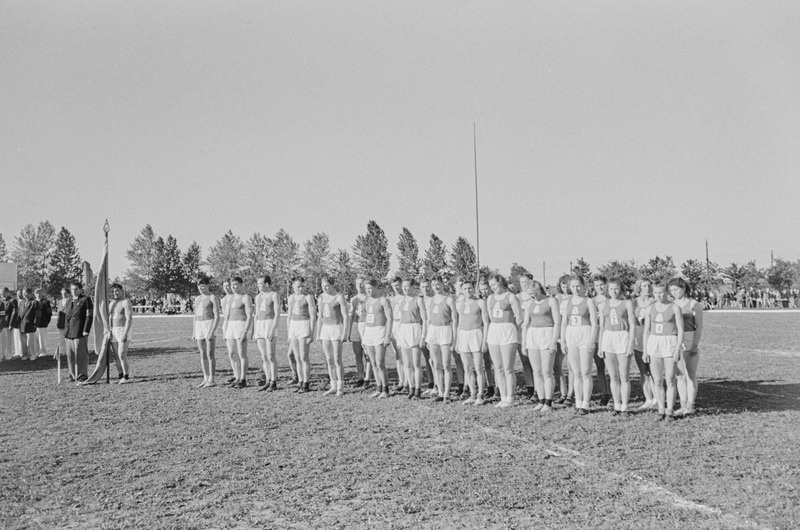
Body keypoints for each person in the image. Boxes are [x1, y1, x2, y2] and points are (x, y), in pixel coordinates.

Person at [643, 281, 684, 421]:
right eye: (656, 293)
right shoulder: (650, 308)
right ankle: (661, 409)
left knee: (670, 379)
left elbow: (681, 330)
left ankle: (670, 410)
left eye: (661, 292)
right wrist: (645, 350)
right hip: (654, 343)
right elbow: (646, 331)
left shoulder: (674, 307)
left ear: (666, 292)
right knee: (657, 380)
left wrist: (678, 348)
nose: (658, 295)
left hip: (670, 342)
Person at [521, 280, 561, 413]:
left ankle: (548, 402)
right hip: (533, 335)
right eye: (529, 293)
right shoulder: (529, 303)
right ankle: (541, 400)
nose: (531, 295)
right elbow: (526, 323)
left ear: (538, 289)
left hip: (547, 334)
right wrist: (524, 343)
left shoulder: (551, 301)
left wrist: (554, 340)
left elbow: (557, 322)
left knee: (547, 371)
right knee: (536, 371)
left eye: (533, 292)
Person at [598, 278, 636, 415]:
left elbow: (632, 325)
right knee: (613, 376)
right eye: (611, 289)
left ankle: (625, 406)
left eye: (616, 289)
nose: (614, 291)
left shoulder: (627, 303)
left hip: (622, 337)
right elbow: (601, 327)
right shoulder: (603, 305)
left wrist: (630, 344)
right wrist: (600, 346)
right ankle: (617, 405)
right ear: (607, 290)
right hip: (608, 338)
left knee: (624, 376)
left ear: (621, 289)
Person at [560, 275, 598, 415]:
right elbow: (564, 323)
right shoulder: (566, 302)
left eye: (578, 286)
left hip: (585, 334)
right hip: (571, 335)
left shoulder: (589, 301)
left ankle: (585, 404)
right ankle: (578, 402)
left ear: (583, 286)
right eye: (573, 286)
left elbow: (594, 323)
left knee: (585, 372)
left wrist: (591, 341)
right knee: (576, 372)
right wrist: (563, 341)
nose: (576, 289)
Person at [486, 274, 522, 408]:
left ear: (500, 282)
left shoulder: (511, 297)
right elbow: (491, 316)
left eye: (494, 284)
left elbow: (519, 317)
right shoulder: (490, 298)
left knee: (508, 368)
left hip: (507, 331)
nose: (492, 287)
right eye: (491, 286)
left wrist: (511, 329)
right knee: (498, 368)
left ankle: (510, 398)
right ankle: (503, 397)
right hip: (494, 331)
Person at [669, 278, 704, 416]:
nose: (673, 293)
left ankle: (691, 406)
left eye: (676, 289)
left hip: (689, 339)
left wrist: (695, 344)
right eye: (671, 290)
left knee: (690, 375)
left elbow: (699, 326)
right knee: (680, 375)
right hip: (675, 340)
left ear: (683, 288)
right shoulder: (671, 304)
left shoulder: (693, 304)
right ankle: (683, 405)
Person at [456, 280, 489, 405]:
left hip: (476, 334)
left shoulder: (480, 302)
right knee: (467, 367)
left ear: (473, 289)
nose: (468, 290)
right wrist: (458, 341)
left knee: (478, 367)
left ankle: (481, 395)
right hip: (463, 335)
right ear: (462, 290)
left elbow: (486, 322)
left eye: (470, 288)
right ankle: (473, 394)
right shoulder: (459, 304)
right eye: (465, 288)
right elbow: (459, 323)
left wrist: (484, 341)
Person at [426, 277, 458, 403]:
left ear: (442, 284)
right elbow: (428, 319)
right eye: (433, 284)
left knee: (446, 364)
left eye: (438, 284)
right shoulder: (430, 300)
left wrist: (454, 339)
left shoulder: (449, 300)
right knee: (436, 364)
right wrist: (427, 337)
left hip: (445, 330)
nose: (436, 287)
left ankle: (447, 393)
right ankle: (440, 391)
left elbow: (454, 320)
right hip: (433, 331)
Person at [316, 276, 350, 396]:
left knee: (337, 358)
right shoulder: (320, 297)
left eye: (327, 286)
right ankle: (333, 385)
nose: (325, 288)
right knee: (329, 359)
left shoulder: (338, 297)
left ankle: (341, 386)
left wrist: (345, 332)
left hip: (336, 328)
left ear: (332, 285)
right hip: (325, 329)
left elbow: (345, 316)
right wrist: (318, 332)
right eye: (323, 286)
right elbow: (320, 317)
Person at [394, 278, 427, 399]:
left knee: (416, 363)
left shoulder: (418, 300)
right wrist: (398, 335)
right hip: (403, 329)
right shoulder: (401, 300)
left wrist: (423, 336)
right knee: (407, 363)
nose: (405, 288)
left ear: (413, 287)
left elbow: (425, 319)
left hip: (414, 329)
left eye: (407, 286)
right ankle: (411, 388)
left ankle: (418, 390)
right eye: (404, 286)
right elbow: (399, 319)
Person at [362, 279, 393, 398]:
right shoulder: (367, 300)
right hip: (369, 332)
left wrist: (387, 336)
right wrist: (364, 335)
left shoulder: (383, 300)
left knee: (380, 362)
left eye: (370, 288)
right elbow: (367, 318)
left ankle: (386, 389)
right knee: (373, 362)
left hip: (380, 331)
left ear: (376, 287)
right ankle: (378, 388)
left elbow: (389, 319)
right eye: (366, 289)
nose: (368, 291)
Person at [287, 277, 316, 393]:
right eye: (298, 286)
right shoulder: (290, 298)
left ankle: (306, 383)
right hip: (294, 326)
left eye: (302, 286)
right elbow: (289, 315)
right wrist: (289, 332)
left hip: (304, 325)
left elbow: (313, 316)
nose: (301, 288)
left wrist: (311, 333)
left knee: (304, 357)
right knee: (297, 357)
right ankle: (300, 381)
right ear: (293, 286)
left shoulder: (308, 297)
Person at [223, 276, 253, 388]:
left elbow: (249, 316)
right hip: (231, 325)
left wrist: (245, 331)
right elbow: (226, 316)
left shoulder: (246, 297)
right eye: (232, 285)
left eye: (235, 284)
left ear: (241, 285)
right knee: (232, 353)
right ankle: (237, 376)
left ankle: (243, 379)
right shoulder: (230, 298)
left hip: (240, 324)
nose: (233, 287)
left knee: (241, 354)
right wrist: (225, 330)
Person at [633, 278, 657, 410]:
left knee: (654, 371)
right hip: (638, 337)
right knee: (643, 371)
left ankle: (657, 398)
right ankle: (648, 399)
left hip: (652, 337)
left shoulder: (655, 300)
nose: (647, 288)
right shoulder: (634, 302)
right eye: (644, 286)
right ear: (639, 288)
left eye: (649, 285)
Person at [254, 275, 281, 392]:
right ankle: (267, 380)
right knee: (264, 356)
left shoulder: (274, 295)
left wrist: (272, 329)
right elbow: (256, 314)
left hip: (269, 324)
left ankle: (274, 382)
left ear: (266, 284)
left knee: (270, 355)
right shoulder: (257, 297)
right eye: (258, 283)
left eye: (260, 283)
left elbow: (277, 314)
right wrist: (254, 330)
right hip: (260, 325)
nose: (258, 286)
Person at [193, 277, 220, 388]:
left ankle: (212, 379)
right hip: (199, 324)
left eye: (203, 286)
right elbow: (195, 316)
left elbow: (217, 315)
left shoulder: (212, 297)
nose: (200, 288)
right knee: (202, 353)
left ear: (208, 286)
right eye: (199, 287)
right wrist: (194, 331)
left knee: (210, 353)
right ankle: (205, 378)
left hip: (209, 324)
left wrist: (212, 330)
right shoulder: (197, 299)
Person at [64, 282, 93, 382]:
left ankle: (82, 374)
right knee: (70, 355)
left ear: (80, 289)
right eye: (72, 289)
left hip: (80, 330)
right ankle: (72, 374)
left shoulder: (85, 300)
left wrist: (86, 330)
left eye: (76, 289)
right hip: (70, 331)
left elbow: (89, 316)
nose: (74, 291)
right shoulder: (69, 300)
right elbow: (67, 317)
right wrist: (66, 331)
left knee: (81, 354)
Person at [347, 276, 372, 389]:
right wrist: (348, 331)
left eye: (362, 283)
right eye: (357, 284)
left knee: (368, 354)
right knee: (358, 354)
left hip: (367, 326)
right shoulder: (354, 299)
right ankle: (360, 377)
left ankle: (367, 378)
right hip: (356, 326)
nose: (360, 286)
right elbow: (351, 315)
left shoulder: (369, 298)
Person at [592, 275, 612, 407]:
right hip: (597, 334)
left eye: (601, 285)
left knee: (612, 367)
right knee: (600, 366)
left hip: (610, 334)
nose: (599, 287)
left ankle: (614, 392)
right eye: (597, 285)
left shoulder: (611, 299)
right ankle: (604, 393)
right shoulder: (591, 301)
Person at [516, 274, 537, 399]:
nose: (524, 284)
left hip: (533, 330)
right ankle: (530, 386)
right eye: (521, 282)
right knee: (525, 361)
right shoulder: (517, 297)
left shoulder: (534, 296)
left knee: (535, 361)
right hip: (521, 332)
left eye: (526, 282)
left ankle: (538, 387)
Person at [108, 283, 134, 382]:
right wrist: (109, 330)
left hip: (123, 329)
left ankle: (126, 376)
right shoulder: (112, 303)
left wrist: (125, 333)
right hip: (113, 330)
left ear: (121, 291)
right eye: (113, 291)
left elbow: (129, 319)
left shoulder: (125, 302)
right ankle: (120, 375)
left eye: (117, 291)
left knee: (122, 354)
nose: (115, 293)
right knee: (116, 355)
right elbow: (108, 317)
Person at [554, 275, 573, 405]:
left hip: (571, 332)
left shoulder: (574, 298)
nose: (565, 288)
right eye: (563, 286)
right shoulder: (556, 298)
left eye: (567, 286)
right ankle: (563, 392)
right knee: (557, 365)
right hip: (559, 333)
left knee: (571, 366)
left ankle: (571, 394)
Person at [478, 278, 497, 398]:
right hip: (483, 330)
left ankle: (498, 388)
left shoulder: (494, 299)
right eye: (482, 289)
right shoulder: (479, 301)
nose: (484, 291)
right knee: (486, 362)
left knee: (496, 362)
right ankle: (490, 386)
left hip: (494, 329)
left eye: (486, 289)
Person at [388, 277, 407, 393]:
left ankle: (408, 382)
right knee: (398, 356)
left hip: (404, 328)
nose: (396, 288)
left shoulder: (406, 298)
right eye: (394, 286)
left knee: (406, 356)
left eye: (398, 285)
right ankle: (401, 381)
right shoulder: (392, 299)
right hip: (394, 328)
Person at [418, 278, 436, 396]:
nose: (425, 289)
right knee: (427, 358)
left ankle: (437, 384)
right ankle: (431, 383)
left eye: (427, 286)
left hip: (432, 330)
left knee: (433, 359)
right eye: (423, 287)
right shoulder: (420, 300)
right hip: (421, 329)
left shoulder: (434, 299)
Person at [17, 289, 38, 360]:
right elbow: (19, 314)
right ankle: (25, 355)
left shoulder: (35, 302)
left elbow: (37, 315)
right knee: (23, 341)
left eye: (26, 293)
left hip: (31, 324)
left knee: (31, 341)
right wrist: (18, 323)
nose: (25, 295)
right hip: (22, 324)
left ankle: (32, 355)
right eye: (24, 293)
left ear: (31, 294)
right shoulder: (21, 302)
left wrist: (36, 324)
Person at [33, 289, 52, 358]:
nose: (38, 294)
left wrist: (46, 321)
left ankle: (43, 352)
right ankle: (37, 352)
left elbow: (49, 313)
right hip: (34, 324)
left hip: (42, 323)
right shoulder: (33, 302)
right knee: (35, 339)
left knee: (42, 339)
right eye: (37, 293)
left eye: (40, 293)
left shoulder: (46, 302)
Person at [0, 288, 15, 360]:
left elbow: (14, 313)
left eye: (3, 292)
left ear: (7, 292)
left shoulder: (12, 300)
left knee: (8, 340)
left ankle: (9, 355)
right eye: (1, 293)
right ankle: (2, 355)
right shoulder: (2, 301)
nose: (1, 294)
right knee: (2, 340)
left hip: (8, 323)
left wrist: (11, 323)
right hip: (2, 324)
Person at [55, 288, 69, 360]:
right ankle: (63, 352)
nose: (64, 294)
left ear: (68, 293)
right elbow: (58, 312)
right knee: (62, 338)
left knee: (68, 338)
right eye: (62, 293)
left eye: (65, 293)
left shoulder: (71, 301)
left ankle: (69, 351)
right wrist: (58, 321)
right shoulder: (59, 302)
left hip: (68, 322)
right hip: (61, 322)